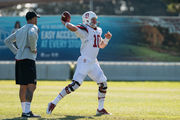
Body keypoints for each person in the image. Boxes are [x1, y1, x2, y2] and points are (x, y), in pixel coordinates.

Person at [47, 11, 112, 115]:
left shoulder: (98, 30)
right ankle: (53, 102)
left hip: (94, 62)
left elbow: (101, 45)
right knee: (75, 85)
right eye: (93, 19)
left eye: (95, 19)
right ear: (87, 20)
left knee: (103, 84)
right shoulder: (85, 29)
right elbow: (74, 28)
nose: (95, 21)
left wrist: (107, 39)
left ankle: (100, 109)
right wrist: (65, 23)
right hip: (85, 61)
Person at [4, 11, 40, 118]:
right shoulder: (33, 27)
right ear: (32, 19)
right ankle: (27, 111)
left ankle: (25, 111)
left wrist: (17, 52)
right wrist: (33, 49)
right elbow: (32, 34)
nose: (36, 20)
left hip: (19, 60)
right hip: (28, 59)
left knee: (23, 86)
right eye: (36, 18)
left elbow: (7, 41)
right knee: (32, 86)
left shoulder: (20, 29)